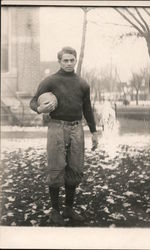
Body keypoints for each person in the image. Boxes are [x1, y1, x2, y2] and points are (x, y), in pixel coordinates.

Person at [30, 46, 98, 226]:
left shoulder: (83, 83)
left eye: (71, 60)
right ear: (59, 61)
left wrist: (94, 132)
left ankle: (68, 207)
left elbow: (87, 109)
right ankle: (55, 210)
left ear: (75, 60)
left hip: (77, 128)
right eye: (65, 60)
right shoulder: (50, 81)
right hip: (56, 128)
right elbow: (33, 101)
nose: (69, 63)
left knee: (75, 168)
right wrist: (40, 108)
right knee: (56, 167)